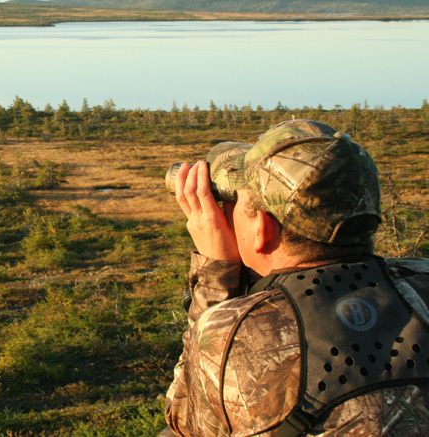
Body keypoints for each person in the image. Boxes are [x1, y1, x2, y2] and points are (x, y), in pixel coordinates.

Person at [162, 119, 429, 436]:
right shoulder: (420, 281)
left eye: (235, 207)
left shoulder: (243, 331)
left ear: (262, 228)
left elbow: (187, 423)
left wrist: (216, 273)